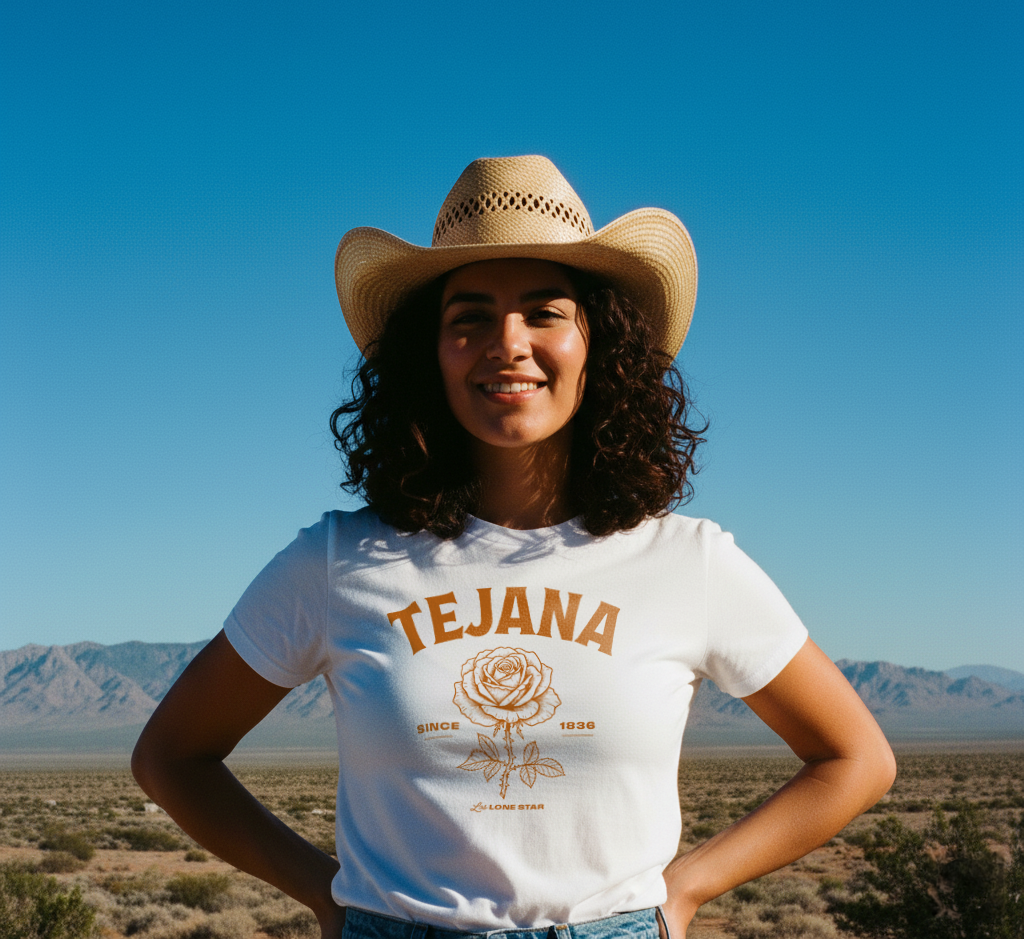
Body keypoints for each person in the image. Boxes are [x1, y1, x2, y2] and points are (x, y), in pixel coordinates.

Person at [132, 155, 896, 939]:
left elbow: (855, 760)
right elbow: (172, 757)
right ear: (430, 354)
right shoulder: (338, 562)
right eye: (468, 317)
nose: (507, 343)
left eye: (544, 312)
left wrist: (687, 891)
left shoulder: (686, 561)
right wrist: (325, 894)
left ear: (600, 341)